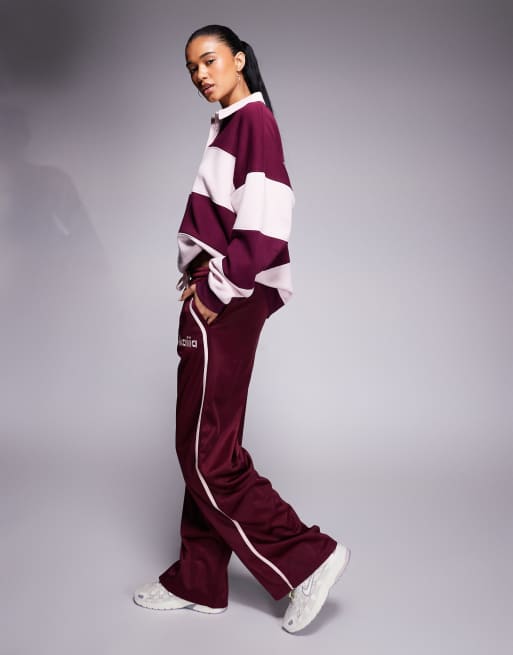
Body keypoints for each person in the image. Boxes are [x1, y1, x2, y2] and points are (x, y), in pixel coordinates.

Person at [133, 24, 351, 634]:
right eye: (191, 68)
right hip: (221, 294)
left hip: (225, 299)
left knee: (206, 454)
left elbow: (267, 225)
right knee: (209, 445)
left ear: (239, 59)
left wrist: (215, 289)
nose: (201, 75)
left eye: (209, 60)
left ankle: (309, 559)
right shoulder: (231, 125)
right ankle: (200, 579)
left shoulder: (253, 123)